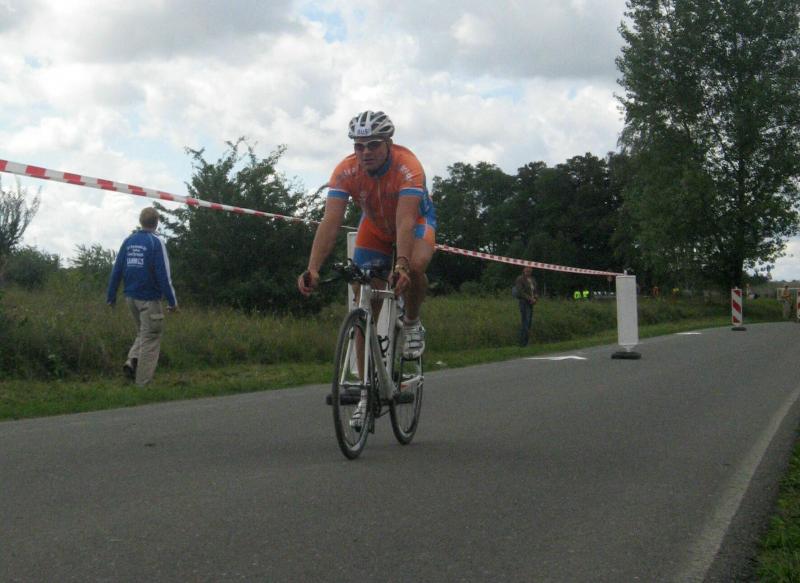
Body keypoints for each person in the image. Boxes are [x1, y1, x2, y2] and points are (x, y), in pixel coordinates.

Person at [297, 111, 436, 427]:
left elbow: (405, 220)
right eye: (359, 146)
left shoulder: (408, 167)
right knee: (363, 304)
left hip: (415, 223)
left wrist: (401, 264)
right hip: (374, 228)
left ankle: (411, 322)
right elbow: (330, 221)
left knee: (415, 266)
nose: (365, 152)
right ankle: (364, 391)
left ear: (388, 143)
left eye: (373, 145)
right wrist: (313, 268)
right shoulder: (345, 171)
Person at [107, 207, 178, 386]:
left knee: (143, 332)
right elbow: (164, 275)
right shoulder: (156, 242)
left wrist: (111, 296)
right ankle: (143, 383)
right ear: (157, 222)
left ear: (141, 221)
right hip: (149, 299)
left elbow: (117, 270)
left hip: (130, 297)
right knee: (151, 337)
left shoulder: (128, 241)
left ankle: (132, 361)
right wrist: (172, 302)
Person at [514, 266, 538, 347]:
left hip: (531, 303)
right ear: (524, 270)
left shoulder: (532, 279)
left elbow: (535, 290)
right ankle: (522, 343)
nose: (529, 271)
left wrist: (536, 297)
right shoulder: (520, 279)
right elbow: (520, 292)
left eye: (530, 270)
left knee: (529, 323)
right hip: (524, 302)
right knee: (525, 322)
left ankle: (527, 342)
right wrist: (530, 298)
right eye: (527, 270)